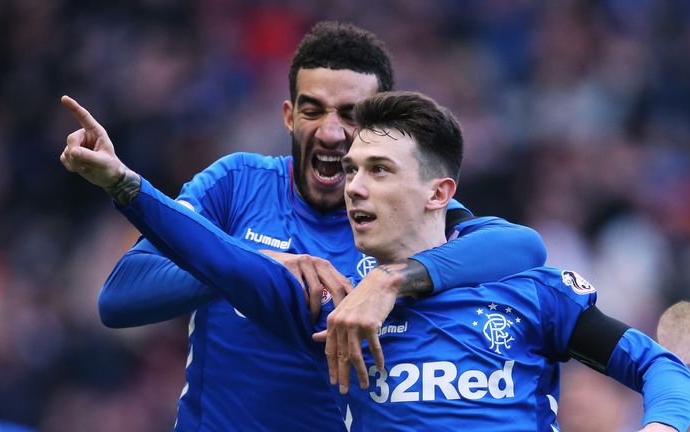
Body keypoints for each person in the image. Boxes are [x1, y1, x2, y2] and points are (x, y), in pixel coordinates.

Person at [60, 90, 690, 431]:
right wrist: (125, 184)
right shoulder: (331, 302)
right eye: (355, 170)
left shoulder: (527, 291)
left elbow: (663, 370)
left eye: (379, 171)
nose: (354, 186)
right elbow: (215, 257)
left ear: (438, 193)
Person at [64, 22, 547, 431]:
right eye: (313, 110)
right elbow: (120, 297)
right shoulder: (237, 183)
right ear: (290, 116)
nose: (331, 132)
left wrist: (391, 279)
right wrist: (255, 264)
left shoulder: (401, 216)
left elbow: (520, 246)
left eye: (351, 116)